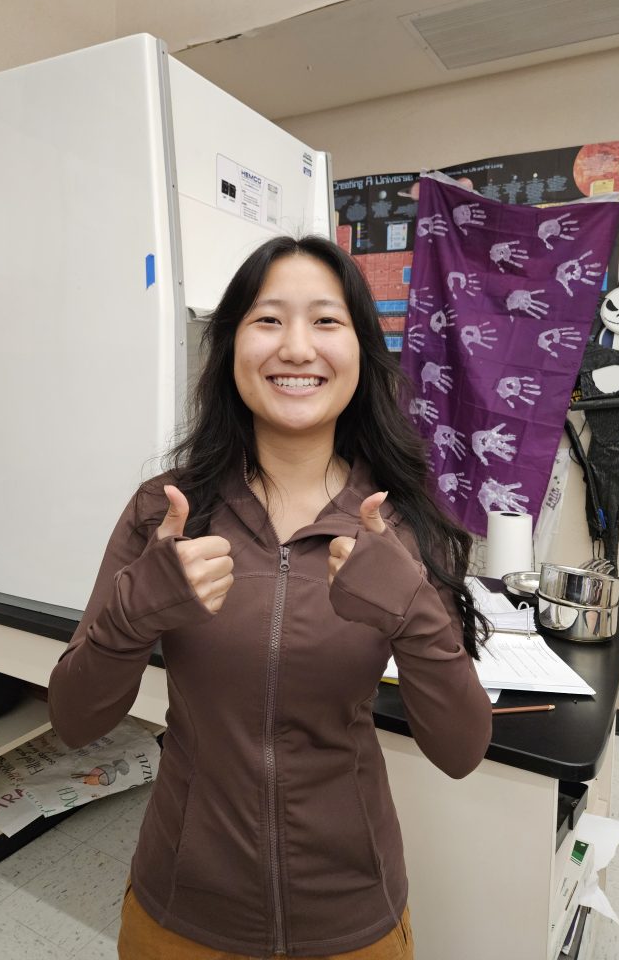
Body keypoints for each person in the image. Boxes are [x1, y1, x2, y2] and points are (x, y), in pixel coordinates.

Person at [48, 234, 492, 960]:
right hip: (181, 913)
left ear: (361, 351)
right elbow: (74, 721)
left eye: (325, 320)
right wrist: (130, 617)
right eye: (267, 319)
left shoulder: (397, 524)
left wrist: (413, 614)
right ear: (230, 347)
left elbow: (461, 750)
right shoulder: (166, 513)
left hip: (352, 919)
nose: (296, 347)